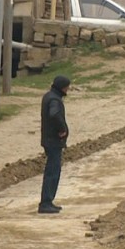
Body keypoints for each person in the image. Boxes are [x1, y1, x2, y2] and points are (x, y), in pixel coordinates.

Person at [39, 75, 70, 214]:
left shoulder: (49, 96)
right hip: (53, 141)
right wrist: (62, 129)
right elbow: (54, 114)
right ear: (62, 87)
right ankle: (46, 203)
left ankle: (48, 201)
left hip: (49, 140)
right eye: (67, 87)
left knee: (51, 171)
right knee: (52, 172)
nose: (68, 90)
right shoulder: (54, 100)